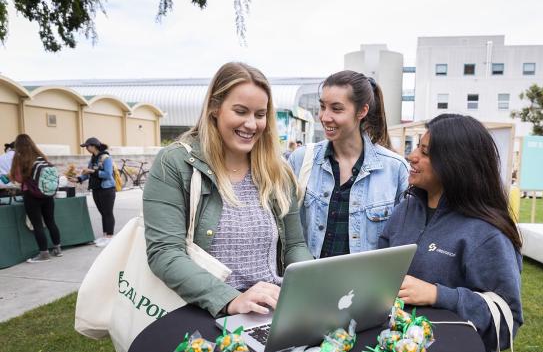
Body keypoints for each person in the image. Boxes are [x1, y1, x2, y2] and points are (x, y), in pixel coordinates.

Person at [143, 62, 313, 317]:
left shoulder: (278, 170)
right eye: (240, 111)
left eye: (259, 114)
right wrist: (231, 299)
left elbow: (294, 246)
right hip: (206, 312)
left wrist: (313, 284)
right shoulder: (175, 163)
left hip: (271, 311)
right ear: (214, 107)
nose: (251, 124)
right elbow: (165, 253)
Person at [378, 114, 523, 352]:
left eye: (425, 153)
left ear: (454, 164)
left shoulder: (487, 233)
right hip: (397, 349)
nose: (411, 157)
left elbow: (507, 324)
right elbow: (380, 267)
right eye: (416, 148)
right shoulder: (406, 209)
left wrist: (438, 295)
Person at [289, 70, 409, 259]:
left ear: (362, 111)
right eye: (322, 106)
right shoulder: (301, 160)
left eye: (336, 109)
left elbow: (403, 242)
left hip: (366, 286)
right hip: (310, 283)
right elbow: (288, 234)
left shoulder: (395, 169)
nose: (325, 117)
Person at [9, 134, 63, 262]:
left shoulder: (20, 158)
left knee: (37, 224)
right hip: (47, 194)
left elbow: (19, 179)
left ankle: (44, 254)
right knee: (51, 222)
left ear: (18, 146)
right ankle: (58, 249)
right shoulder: (41, 157)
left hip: (31, 195)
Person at [69, 137, 116, 247]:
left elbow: (108, 174)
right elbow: (88, 173)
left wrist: (91, 171)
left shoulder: (106, 157)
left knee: (108, 212)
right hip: (96, 188)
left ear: (94, 146)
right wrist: (79, 179)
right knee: (103, 212)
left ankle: (110, 237)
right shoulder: (93, 158)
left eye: (87, 146)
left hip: (107, 189)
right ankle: (105, 236)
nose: (86, 148)